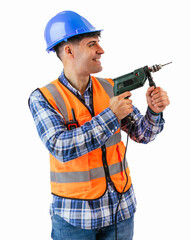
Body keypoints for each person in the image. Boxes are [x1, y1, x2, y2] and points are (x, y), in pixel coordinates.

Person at [28, 10, 170, 240]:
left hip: (120, 211)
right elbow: (61, 147)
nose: (101, 50)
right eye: (92, 44)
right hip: (75, 219)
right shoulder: (44, 98)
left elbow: (142, 134)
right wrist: (111, 115)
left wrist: (153, 112)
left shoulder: (109, 87)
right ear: (69, 50)